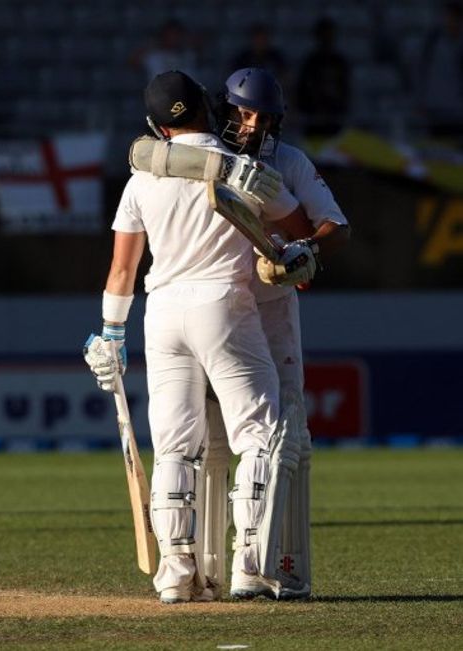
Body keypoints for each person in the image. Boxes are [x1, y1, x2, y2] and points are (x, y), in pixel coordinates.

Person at [83, 70, 311, 604]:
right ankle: (249, 567)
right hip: (223, 305)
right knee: (257, 434)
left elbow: (122, 271)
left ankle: (176, 574)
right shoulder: (244, 170)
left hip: (161, 313)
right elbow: (298, 231)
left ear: (156, 127)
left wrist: (110, 335)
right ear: (212, 109)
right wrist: (289, 245)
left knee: (174, 446)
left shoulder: (141, 179)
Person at [127, 67, 351, 601]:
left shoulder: (288, 162)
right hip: (220, 309)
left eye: (262, 117)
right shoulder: (200, 161)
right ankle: (200, 570)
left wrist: (305, 252)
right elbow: (147, 156)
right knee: (210, 442)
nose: (251, 125)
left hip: (269, 312)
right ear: (223, 110)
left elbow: (334, 227)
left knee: (285, 438)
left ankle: (277, 567)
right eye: (244, 113)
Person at [293, 17, 350, 136]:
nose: (327, 38)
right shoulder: (310, 62)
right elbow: (302, 89)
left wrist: (339, 110)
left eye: (330, 35)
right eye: (324, 35)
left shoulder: (340, 62)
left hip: (335, 119)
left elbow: (345, 89)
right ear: (318, 36)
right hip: (313, 121)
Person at [415, 1, 463, 140]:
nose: (449, 21)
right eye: (447, 17)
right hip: (435, 111)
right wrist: (420, 99)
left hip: (458, 112)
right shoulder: (432, 41)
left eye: (453, 17)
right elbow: (421, 71)